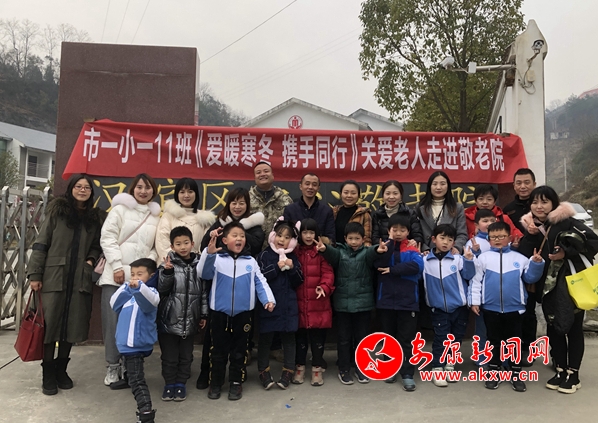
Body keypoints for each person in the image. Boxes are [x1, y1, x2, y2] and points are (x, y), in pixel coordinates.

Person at [28, 174, 105, 396]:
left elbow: (97, 245)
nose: (82, 190)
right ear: (71, 189)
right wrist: (35, 274)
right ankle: (48, 373)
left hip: (79, 278)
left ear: (91, 192)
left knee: (72, 325)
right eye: (78, 186)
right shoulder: (57, 213)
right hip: (54, 277)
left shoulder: (93, 219)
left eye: (87, 187)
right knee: (50, 325)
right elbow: (41, 243)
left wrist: (90, 260)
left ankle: (62, 370)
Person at [518, 186, 598, 394]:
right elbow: (525, 254)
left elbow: (593, 243)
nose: (539, 206)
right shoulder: (534, 226)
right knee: (553, 327)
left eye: (544, 202)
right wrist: (530, 235)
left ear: (554, 204)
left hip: (570, 284)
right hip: (547, 287)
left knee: (573, 327)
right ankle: (561, 370)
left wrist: (566, 253)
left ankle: (574, 374)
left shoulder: (567, 222)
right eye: (535, 202)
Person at [195, 187, 265, 390]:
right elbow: (205, 247)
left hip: (243, 288)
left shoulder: (255, 225)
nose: (237, 206)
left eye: (242, 203)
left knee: (241, 341)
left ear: (247, 206)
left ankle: (237, 376)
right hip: (219, 286)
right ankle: (207, 374)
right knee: (213, 339)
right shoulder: (219, 223)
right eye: (234, 202)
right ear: (228, 204)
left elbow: (255, 245)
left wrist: (238, 230)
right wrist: (215, 237)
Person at [197, 222, 276, 401]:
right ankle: (216, 383)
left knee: (240, 351)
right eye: (234, 235)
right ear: (225, 240)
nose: (239, 238)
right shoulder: (217, 259)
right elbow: (203, 273)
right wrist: (209, 253)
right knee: (217, 351)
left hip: (243, 315)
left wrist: (268, 300)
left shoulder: (251, 261)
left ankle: (235, 382)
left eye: (242, 235)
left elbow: (260, 282)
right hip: (219, 314)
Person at [99, 174, 161, 387]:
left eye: (148, 188)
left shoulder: (156, 217)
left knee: (134, 324)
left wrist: (147, 268)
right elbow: (107, 237)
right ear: (132, 189)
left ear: (154, 191)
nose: (143, 191)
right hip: (115, 277)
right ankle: (112, 366)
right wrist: (117, 265)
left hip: (140, 282)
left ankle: (130, 367)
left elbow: (155, 247)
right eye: (139, 187)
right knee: (113, 324)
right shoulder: (119, 210)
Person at [469, 221, 545, 392]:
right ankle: (494, 371)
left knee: (514, 342)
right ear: (488, 239)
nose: (497, 239)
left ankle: (515, 373)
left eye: (501, 236)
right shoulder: (483, 258)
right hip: (490, 308)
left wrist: (536, 264)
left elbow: (530, 278)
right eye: (493, 237)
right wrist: (475, 301)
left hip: (515, 309)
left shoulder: (520, 259)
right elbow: (476, 282)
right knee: (493, 341)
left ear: (509, 238)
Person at [316, 222, 386, 385]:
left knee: (362, 339)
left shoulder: (366, 253)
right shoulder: (340, 253)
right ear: (345, 239)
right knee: (343, 339)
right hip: (343, 305)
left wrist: (378, 249)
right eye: (350, 238)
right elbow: (331, 253)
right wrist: (324, 249)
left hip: (363, 305)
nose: (354, 242)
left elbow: (372, 252)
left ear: (363, 239)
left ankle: (361, 368)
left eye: (357, 238)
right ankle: (344, 369)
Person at [373, 214, 424, 391]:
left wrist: (393, 270)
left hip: (408, 301)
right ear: (389, 230)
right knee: (389, 339)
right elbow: (378, 265)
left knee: (406, 339)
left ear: (408, 232)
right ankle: (390, 369)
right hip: (386, 300)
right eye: (395, 229)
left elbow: (417, 266)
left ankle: (407, 374)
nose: (398, 233)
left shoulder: (412, 248)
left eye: (402, 230)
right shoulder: (383, 247)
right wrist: (386, 249)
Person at [157, 226, 208, 402]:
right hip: (170, 319)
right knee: (169, 356)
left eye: (186, 243)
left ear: (192, 243)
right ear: (172, 246)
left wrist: (203, 314)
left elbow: (203, 292)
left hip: (191, 319)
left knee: (186, 356)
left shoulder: (199, 265)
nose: (183, 247)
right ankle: (169, 384)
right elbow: (162, 290)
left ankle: (180, 384)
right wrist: (167, 273)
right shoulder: (167, 264)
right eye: (178, 244)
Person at [423, 224, 475, 387]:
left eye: (450, 239)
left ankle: (450, 365)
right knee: (441, 338)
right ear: (434, 239)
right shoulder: (425, 260)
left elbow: (469, 275)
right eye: (442, 238)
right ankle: (437, 368)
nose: (446, 242)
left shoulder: (458, 259)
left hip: (459, 307)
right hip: (438, 308)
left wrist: (468, 260)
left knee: (456, 338)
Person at [110, 258, 160, 423]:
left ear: (151, 276)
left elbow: (150, 302)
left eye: (140, 274)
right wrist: (127, 288)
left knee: (137, 379)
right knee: (131, 369)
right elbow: (113, 304)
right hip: (125, 343)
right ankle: (127, 378)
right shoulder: (128, 293)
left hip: (137, 344)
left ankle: (146, 413)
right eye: (132, 274)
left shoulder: (151, 292)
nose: (134, 278)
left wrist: (139, 287)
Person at [256, 219, 304, 390]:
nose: (282, 240)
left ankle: (288, 370)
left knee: (289, 339)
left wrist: (292, 268)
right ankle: (263, 370)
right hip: (268, 305)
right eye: (279, 235)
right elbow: (259, 277)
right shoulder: (264, 255)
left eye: (287, 237)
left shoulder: (293, 257)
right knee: (265, 339)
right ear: (272, 236)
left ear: (292, 240)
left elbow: (299, 280)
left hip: (288, 306)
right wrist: (276, 267)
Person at [293, 218, 335, 386]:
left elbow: (328, 273)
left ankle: (317, 369)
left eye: (311, 232)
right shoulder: (294, 252)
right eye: (305, 232)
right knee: (300, 340)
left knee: (318, 340)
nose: (308, 236)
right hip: (300, 303)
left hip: (318, 304)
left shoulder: (321, 252)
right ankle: (300, 368)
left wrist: (324, 287)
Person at [155, 177, 216, 264]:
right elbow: (162, 243)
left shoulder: (205, 219)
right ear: (177, 194)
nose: (186, 195)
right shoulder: (168, 216)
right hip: (172, 265)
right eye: (182, 192)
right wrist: (177, 262)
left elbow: (206, 245)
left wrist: (196, 262)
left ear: (196, 194)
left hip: (196, 265)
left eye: (190, 192)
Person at [415, 171, 467, 254]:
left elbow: (462, 233)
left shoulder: (457, 207)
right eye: (435, 184)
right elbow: (416, 233)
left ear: (448, 186)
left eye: (442, 184)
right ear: (429, 186)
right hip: (427, 254)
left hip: (450, 253)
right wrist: (424, 249)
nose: (438, 187)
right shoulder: (420, 207)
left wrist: (456, 247)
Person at [283, 173, 336, 244]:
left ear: (318, 188)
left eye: (314, 185)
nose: (310, 187)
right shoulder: (290, 210)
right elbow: (286, 235)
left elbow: (331, 237)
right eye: (307, 184)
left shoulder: (326, 211)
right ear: (300, 186)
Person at [249, 161, 293, 246]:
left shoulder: (285, 199)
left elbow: (291, 227)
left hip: (279, 249)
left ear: (272, 175)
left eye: (266, 171)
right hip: (252, 250)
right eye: (258, 172)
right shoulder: (246, 200)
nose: (262, 174)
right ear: (254, 177)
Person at [371, 180, 423, 246]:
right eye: (388, 193)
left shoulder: (410, 213)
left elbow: (418, 235)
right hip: (384, 250)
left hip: (406, 249)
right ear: (383, 196)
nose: (391, 197)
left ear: (401, 195)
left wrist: (415, 241)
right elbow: (375, 237)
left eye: (395, 193)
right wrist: (382, 245)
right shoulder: (377, 215)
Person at [331, 180, 372, 246]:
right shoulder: (334, 212)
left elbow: (367, 239)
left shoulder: (364, 214)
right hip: (335, 250)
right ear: (340, 194)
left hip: (356, 251)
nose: (349, 196)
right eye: (346, 192)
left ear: (358, 195)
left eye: (353, 193)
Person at [503, 168, 537, 234]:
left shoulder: (541, 206)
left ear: (534, 184)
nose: (523, 186)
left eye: (527, 183)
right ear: (514, 186)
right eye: (519, 183)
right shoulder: (508, 209)